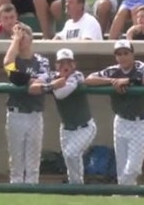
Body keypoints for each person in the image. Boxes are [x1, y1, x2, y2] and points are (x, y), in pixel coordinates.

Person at [85, 40, 144, 185]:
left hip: (140, 122)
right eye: (119, 54)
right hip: (121, 121)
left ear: (132, 54)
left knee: (132, 168)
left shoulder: (141, 67)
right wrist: (113, 81)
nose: (123, 57)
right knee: (121, 167)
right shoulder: (114, 70)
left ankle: (127, 193)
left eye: (126, 53)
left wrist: (129, 81)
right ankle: (127, 198)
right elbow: (89, 80)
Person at [29, 48, 96, 184]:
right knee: (70, 159)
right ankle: (76, 187)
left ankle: (77, 186)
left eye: (68, 62)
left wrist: (55, 84)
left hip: (84, 127)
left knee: (72, 154)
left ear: (74, 65)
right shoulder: (52, 76)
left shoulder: (77, 75)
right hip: (66, 128)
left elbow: (60, 94)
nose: (65, 66)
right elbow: (33, 86)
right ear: (56, 65)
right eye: (61, 63)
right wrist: (51, 84)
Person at [2, 23, 51, 184]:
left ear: (31, 38)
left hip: (34, 114)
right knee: (16, 161)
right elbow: (7, 65)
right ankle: (15, 194)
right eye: (18, 36)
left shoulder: (41, 61)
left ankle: (32, 193)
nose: (21, 40)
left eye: (24, 36)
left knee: (33, 162)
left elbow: (41, 80)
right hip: (16, 113)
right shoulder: (14, 59)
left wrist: (22, 79)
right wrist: (15, 41)